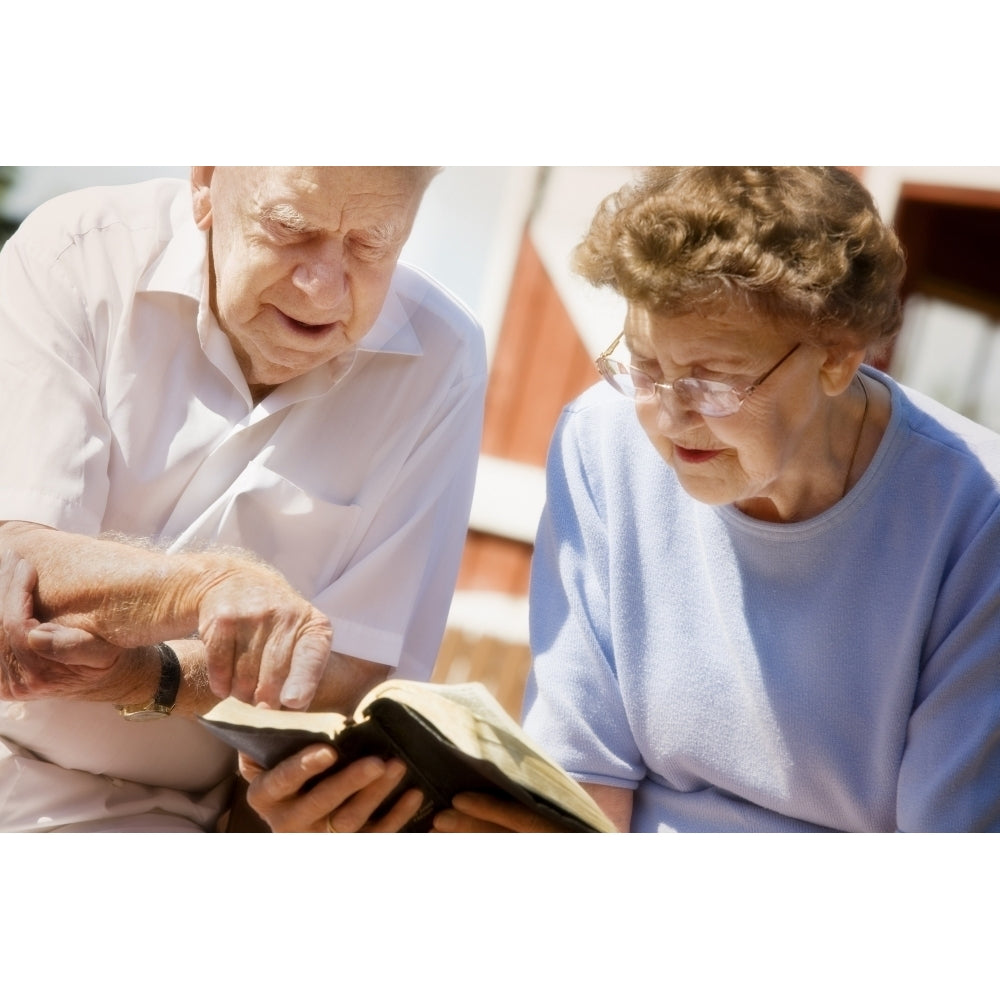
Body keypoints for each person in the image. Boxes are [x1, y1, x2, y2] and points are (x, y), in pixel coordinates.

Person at [239, 166, 1000, 833]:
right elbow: (582, 787)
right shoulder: (605, 443)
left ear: (838, 357)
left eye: (712, 378)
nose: (669, 418)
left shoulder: (975, 515)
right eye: (644, 366)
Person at [0, 166, 487, 832]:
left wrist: (154, 674)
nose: (323, 285)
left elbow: (358, 676)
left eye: (370, 243)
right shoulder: (78, 254)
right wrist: (211, 589)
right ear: (205, 184)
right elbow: (19, 564)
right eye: (289, 229)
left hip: (170, 819)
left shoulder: (443, 364)